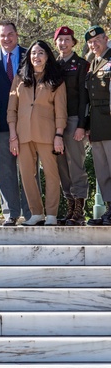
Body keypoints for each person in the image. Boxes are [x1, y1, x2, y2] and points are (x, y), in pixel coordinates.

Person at [7, 40, 66, 226]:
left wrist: (59, 135)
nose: (36, 57)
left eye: (41, 53)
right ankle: (36, 213)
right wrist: (13, 135)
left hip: (47, 134)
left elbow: (61, 110)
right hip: (23, 135)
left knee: (51, 174)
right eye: (33, 53)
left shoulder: (56, 80)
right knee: (26, 174)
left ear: (47, 56)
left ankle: (51, 215)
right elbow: (12, 109)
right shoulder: (20, 77)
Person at [0, 21, 31, 225]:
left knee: (29, 169)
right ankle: (10, 213)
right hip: (1, 122)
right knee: (5, 169)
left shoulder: (30, 55)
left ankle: (32, 213)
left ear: (17, 34)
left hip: (28, 122)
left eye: (10, 34)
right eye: (2, 35)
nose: (7, 38)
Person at [54, 26, 89, 225]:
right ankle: (69, 207)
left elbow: (85, 97)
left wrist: (82, 125)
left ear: (73, 42)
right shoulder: (54, 65)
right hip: (56, 122)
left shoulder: (81, 64)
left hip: (74, 119)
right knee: (61, 166)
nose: (63, 43)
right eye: (60, 39)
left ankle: (79, 210)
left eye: (67, 39)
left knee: (76, 165)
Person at [84, 25, 111, 225]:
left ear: (105, 38)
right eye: (91, 42)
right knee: (102, 170)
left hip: (109, 121)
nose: (94, 45)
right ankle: (109, 210)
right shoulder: (92, 62)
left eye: (97, 40)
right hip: (96, 123)